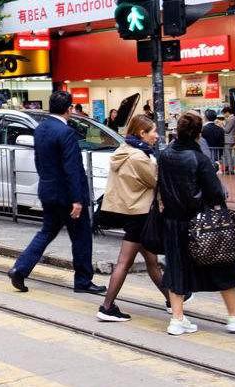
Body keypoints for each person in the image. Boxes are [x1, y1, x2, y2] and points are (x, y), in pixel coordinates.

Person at [158, 112, 235, 336]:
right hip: (201, 223)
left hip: (174, 222)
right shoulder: (199, 159)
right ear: (197, 134)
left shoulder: (165, 155)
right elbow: (216, 193)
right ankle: (234, 316)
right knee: (222, 265)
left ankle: (177, 319)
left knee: (177, 268)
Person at [8, 91, 102, 294]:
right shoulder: (65, 132)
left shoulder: (40, 129)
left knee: (47, 232)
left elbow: (39, 161)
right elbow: (72, 168)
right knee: (82, 237)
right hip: (68, 196)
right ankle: (83, 281)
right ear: (69, 109)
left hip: (48, 191)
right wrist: (77, 199)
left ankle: (20, 269)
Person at [96, 115, 165, 322]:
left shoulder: (123, 151)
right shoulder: (139, 157)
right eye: (153, 131)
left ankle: (172, 298)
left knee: (152, 260)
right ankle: (107, 306)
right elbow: (155, 181)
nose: (157, 135)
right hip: (139, 213)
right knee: (124, 262)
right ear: (142, 133)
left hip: (129, 210)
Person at [221, 106, 235, 174]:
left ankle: (230, 169)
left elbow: (226, 130)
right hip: (230, 139)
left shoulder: (232, 119)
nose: (224, 115)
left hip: (229, 139)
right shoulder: (231, 118)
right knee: (228, 154)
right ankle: (229, 168)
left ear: (227, 112)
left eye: (224, 113)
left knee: (228, 154)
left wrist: (221, 124)